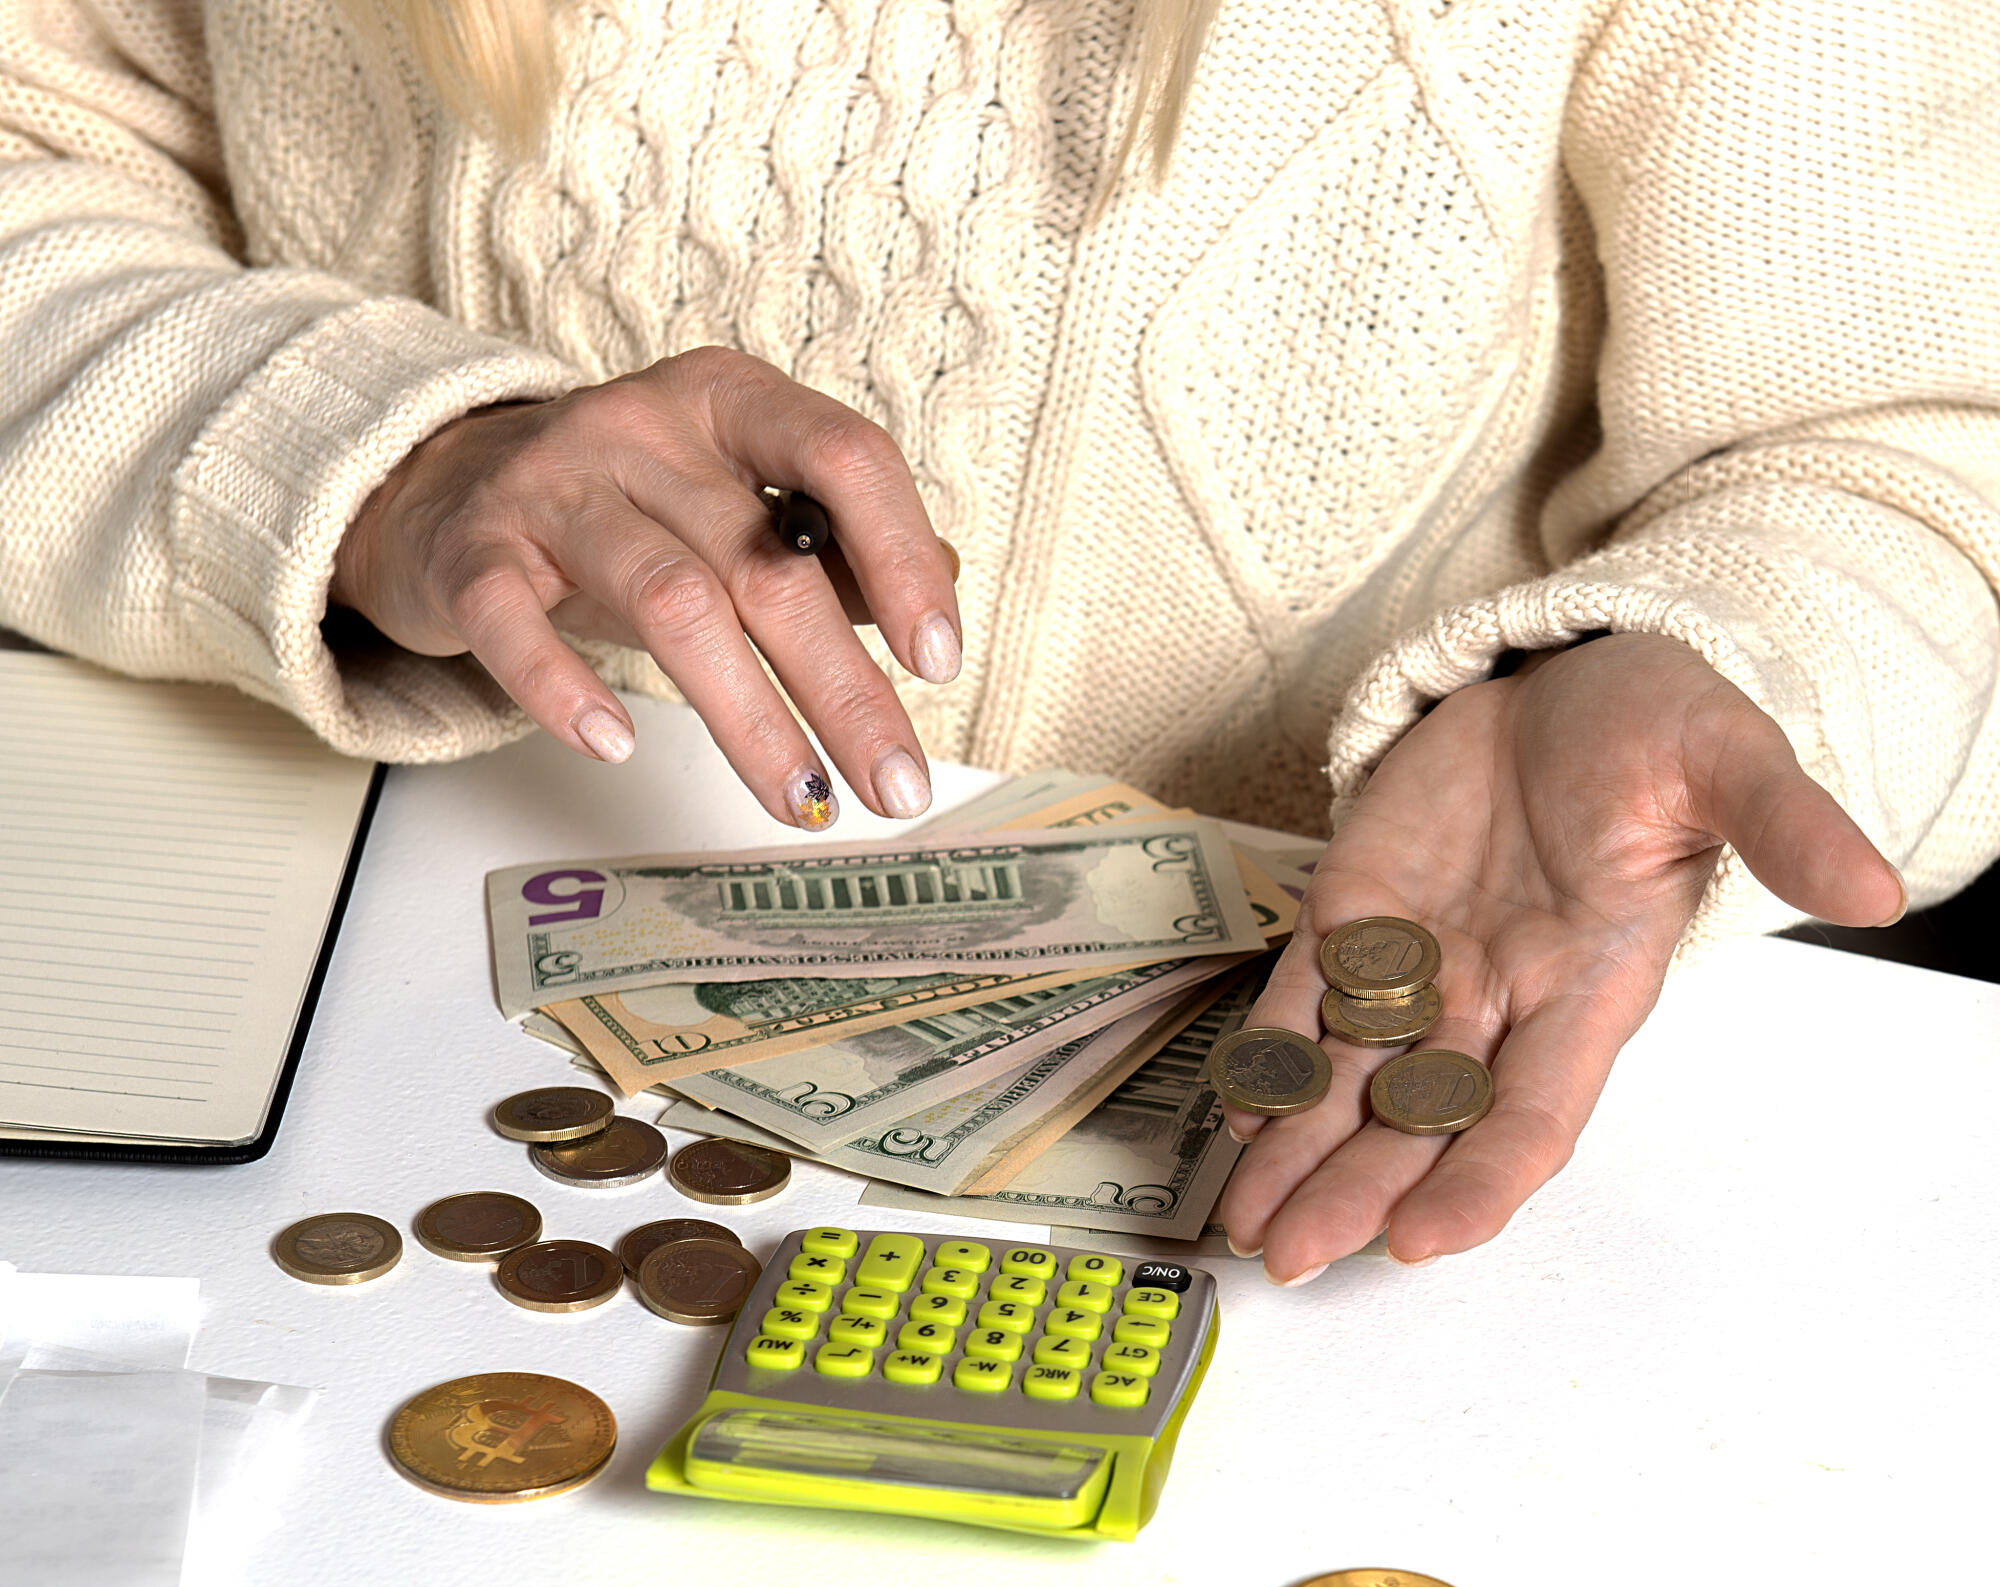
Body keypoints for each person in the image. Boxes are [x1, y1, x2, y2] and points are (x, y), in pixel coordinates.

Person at [2, 0, 1995, 1278]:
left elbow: (1914, 447)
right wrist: (376, 468)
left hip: (1344, 1146)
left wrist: (1703, 652)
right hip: (350, 1097)